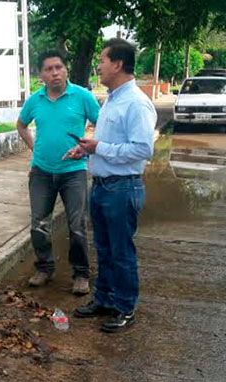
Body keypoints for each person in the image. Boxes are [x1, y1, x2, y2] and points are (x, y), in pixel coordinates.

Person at [67, 38, 156, 333]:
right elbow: (108, 143)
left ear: (117, 64)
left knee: (121, 252)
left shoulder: (136, 103)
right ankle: (104, 299)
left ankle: (125, 307)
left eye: (102, 61)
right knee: (103, 248)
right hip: (103, 186)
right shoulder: (112, 99)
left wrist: (100, 148)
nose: (98, 66)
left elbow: (142, 148)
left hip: (123, 188)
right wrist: (86, 149)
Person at [16, 50, 100, 295]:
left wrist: (86, 146)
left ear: (66, 70)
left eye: (58, 67)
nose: (54, 73)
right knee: (39, 224)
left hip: (73, 171)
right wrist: (34, 149)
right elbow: (21, 125)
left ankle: (81, 274)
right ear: (41, 74)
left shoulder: (82, 96)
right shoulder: (35, 100)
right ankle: (44, 268)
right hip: (41, 172)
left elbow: (101, 124)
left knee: (77, 225)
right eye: (48, 69)